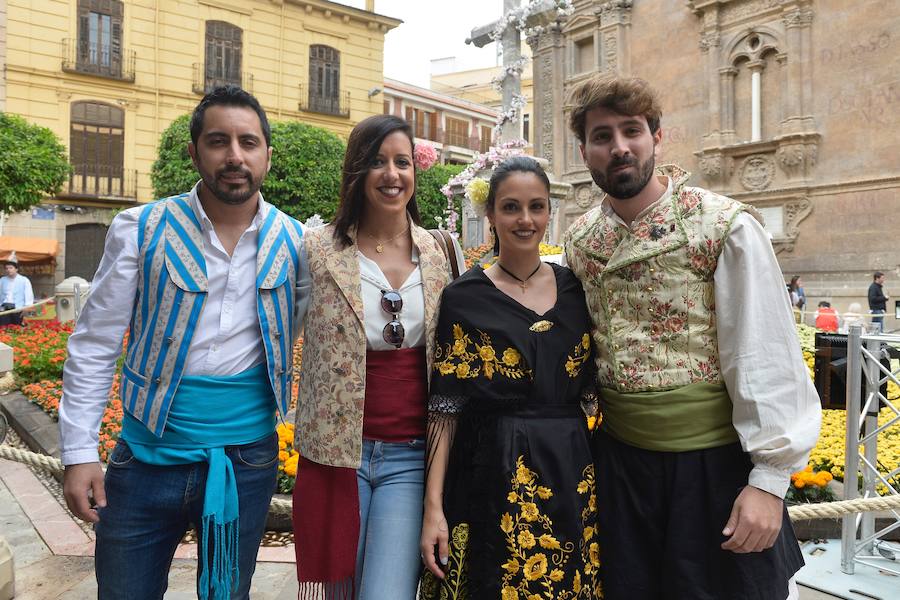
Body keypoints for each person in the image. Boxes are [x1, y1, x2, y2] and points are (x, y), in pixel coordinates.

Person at [563, 73, 821, 600]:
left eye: (631, 131)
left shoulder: (722, 226)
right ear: (584, 151)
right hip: (621, 470)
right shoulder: (581, 241)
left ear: (657, 137)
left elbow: (764, 351)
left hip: (713, 471)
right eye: (602, 136)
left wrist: (769, 483)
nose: (619, 147)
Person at [58, 85, 309, 600]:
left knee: (227, 594)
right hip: (146, 459)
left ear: (267, 154)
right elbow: (95, 342)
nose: (234, 156)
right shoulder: (140, 228)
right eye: (219, 141)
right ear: (194, 152)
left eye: (248, 142)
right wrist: (79, 452)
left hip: (248, 462)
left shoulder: (299, 242)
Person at [291, 114, 464, 599]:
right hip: (335, 459)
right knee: (341, 593)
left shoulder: (441, 253)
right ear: (356, 172)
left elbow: (455, 362)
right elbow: (278, 336)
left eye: (402, 162)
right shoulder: (316, 250)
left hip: (409, 458)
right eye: (377, 162)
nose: (392, 174)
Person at [419, 156, 602, 598]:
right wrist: (433, 508)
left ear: (549, 213)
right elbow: (445, 411)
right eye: (511, 207)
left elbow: (598, 391)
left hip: (570, 473)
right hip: (489, 473)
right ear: (490, 216)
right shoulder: (463, 297)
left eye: (537, 207)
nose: (525, 219)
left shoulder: (578, 290)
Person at [0, 255, 34, 326]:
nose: (8, 270)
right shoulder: (2, 280)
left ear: (16, 269)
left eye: (11, 268)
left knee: (17, 328)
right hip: (4, 308)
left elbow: (28, 295)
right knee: (3, 328)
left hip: (18, 308)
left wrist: (27, 307)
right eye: (7, 268)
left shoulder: (24, 280)